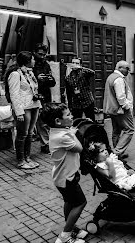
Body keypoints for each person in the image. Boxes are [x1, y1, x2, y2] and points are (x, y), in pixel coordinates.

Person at [40, 102, 87, 243]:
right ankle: (65, 236)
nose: (71, 116)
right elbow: (79, 148)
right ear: (58, 121)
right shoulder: (62, 137)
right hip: (67, 178)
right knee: (80, 203)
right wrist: (73, 134)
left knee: (70, 202)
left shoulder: (57, 132)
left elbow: (68, 134)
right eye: (68, 114)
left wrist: (70, 131)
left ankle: (70, 227)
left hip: (62, 177)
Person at [6, 51, 41, 169]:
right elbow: (14, 94)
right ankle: (21, 160)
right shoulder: (15, 74)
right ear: (27, 61)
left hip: (34, 105)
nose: (34, 61)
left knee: (30, 133)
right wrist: (18, 112)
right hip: (24, 107)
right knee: (22, 134)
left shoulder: (30, 73)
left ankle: (27, 158)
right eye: (32, 59)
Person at [103, 61, 134, 160]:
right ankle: (116, 153)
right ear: (120, 68)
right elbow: (121, 97)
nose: (129, 71)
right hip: (120, 110)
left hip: (113, 109)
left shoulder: (111, 77)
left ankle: (117, 152)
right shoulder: (119, 79)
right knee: (129, 130)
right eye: (127, 68)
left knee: (116, 130)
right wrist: (126, 106)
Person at [33, 43, 56, 154]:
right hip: (35, 97)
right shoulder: (31, 65)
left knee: (46, 120)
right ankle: (45, 143)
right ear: (35, 53)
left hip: (46, 96)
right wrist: (37, 79)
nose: (42, 56)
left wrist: (48, 78)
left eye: (44, 54)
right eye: (40, 54)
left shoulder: (46, 65)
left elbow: (53, 83)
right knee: (39, 121)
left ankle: (47, 143)